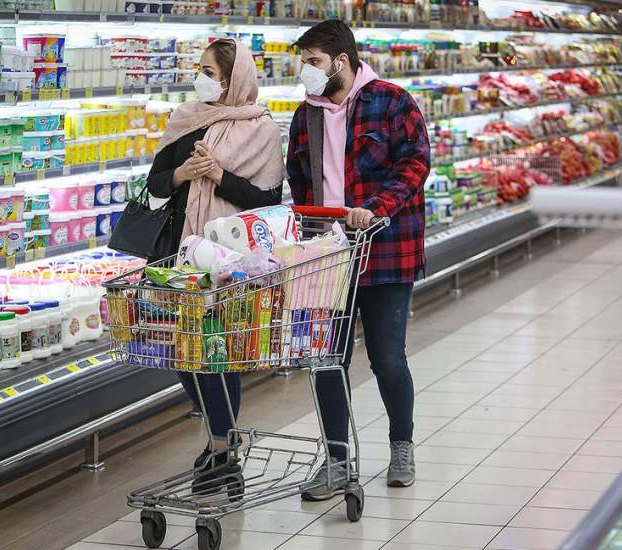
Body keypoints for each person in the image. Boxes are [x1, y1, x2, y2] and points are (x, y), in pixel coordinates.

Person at [286, 19, 430, 500]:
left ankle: (401, 446)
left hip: (386, 249)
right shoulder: (304, 115)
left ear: (341, 62)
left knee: (388, 358)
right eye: (303, 63)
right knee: (327, 359)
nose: (305, 72)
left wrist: (376, 210)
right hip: (326, 257)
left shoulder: (391, 100)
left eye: (313, 62)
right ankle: (336, 460)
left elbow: (416, 162)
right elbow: (299, 180)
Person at [147, 38, 285, 490]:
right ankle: (220, 441)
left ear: (233, 78)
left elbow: (269, 200)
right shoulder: (185, 119)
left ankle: (222, 449)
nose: (200, 77)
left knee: (218, 352)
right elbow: (156, 185)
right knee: (183, 353)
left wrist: (219, 175)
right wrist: (184, 174)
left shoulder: (261, 128)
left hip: (233, 259)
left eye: (210, 71)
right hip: (183, 254)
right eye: (200, 69)